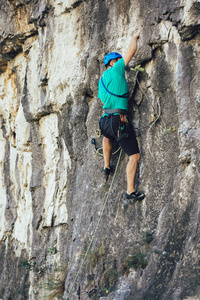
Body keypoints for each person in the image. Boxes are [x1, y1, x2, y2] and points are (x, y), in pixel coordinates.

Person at [98, 29, 145, 201]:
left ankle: (106, 165)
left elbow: (104, 101)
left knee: (107, 136)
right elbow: (131, 52)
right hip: (119, 119)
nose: (121, 63)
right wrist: (133, 38)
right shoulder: (116, 70)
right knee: (134, 156)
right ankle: (130, 191)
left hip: (105, 120)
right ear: (114, 62)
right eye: (118, 61)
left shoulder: (102, 80)